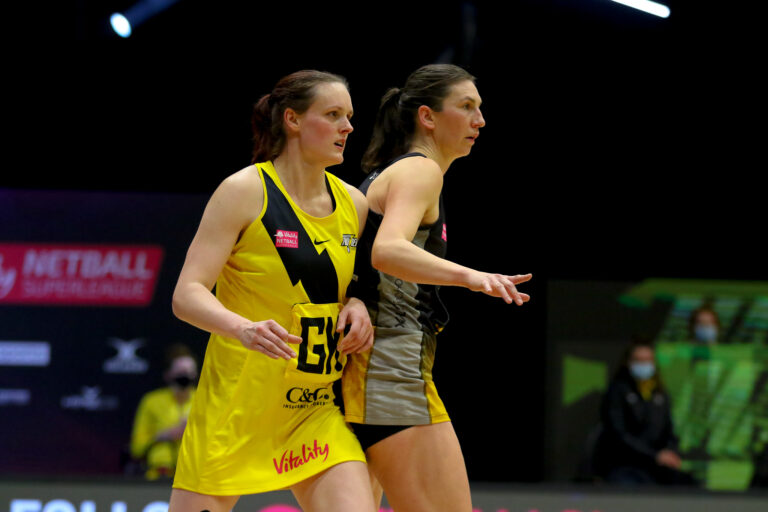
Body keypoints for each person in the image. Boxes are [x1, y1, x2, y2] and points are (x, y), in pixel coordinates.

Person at [169, 70, 376, 512]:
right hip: (236, 411)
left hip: (311, 410)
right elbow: (187, 293)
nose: (348, 127)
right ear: (293, 120)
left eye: (350, 117)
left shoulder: (353, 205)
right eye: (334, 114)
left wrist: (357, 303)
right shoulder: (244, 190)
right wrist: (242, 328)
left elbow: (343, 285)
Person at [342, 63, 532, 512]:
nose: (479, 120)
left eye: (480, 108)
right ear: (427, 117)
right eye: (467, 107)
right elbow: (386, 250)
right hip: (391, 373)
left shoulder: (396, 173)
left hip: (372, 373)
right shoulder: (421, 171)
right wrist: (471, 276)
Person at [593, 339, 696, 486]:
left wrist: (670, 452)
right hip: (624, 466)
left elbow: (669, 432)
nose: (643, 365)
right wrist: (655, 455)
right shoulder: (617, 391)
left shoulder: (660, 394)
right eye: (638, 360)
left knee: (689, 483)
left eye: (647, 360)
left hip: (655, 467)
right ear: (628, 363)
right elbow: (619, 435)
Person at [130, 343, 198, 480]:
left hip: (195, 476)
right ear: (168, 374)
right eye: (180, 372)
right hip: (157, 475)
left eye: (189, 372)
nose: (185, 376)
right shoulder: (152, 401)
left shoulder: (204, 400)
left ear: (195, 374)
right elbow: (137, 447)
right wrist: (166, 435)